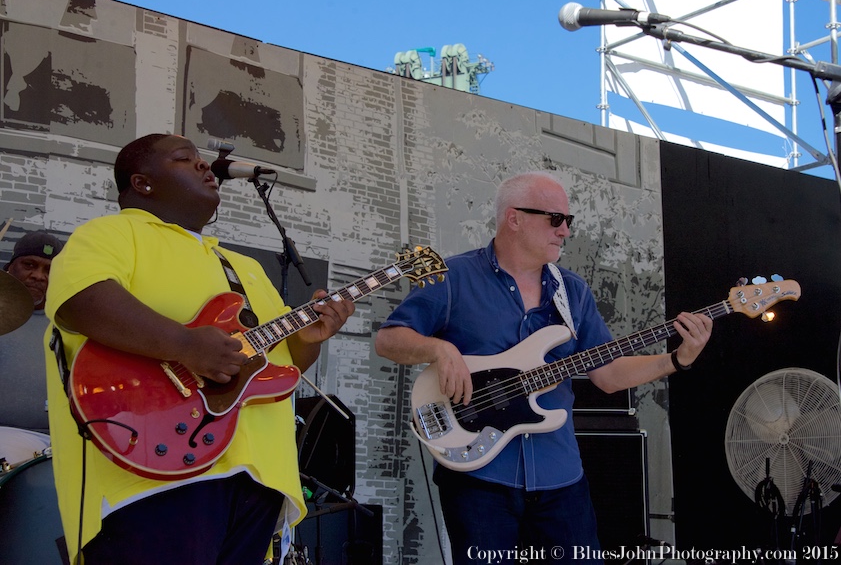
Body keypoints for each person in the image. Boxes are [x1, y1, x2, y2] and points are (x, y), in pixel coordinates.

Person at [44, 134, 355, 565]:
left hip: (258, 475)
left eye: (202, 159)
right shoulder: (110, 233)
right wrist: (186, 344)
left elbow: (280, 368)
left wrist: (308, 341)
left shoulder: (243, 267)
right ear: (143, 183)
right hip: (155, 470)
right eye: (184, 159)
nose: (206, 166)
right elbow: (79, 301)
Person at [375, 171, 713, 564]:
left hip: (560, 474)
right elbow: (389, 339)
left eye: (569, 221)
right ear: (514, 218)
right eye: (556, 219)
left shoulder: (573, 292)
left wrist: (676, 359)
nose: (565, 231)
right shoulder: (454, 277)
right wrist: (438, 348)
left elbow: (607, 375)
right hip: (478, 476)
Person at [0, 230, 63, 465]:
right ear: (10, 267)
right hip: (7, 436)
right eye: (29, 265)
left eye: (49, 270)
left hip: (62, 440)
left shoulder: (71, 323)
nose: (38, 276)